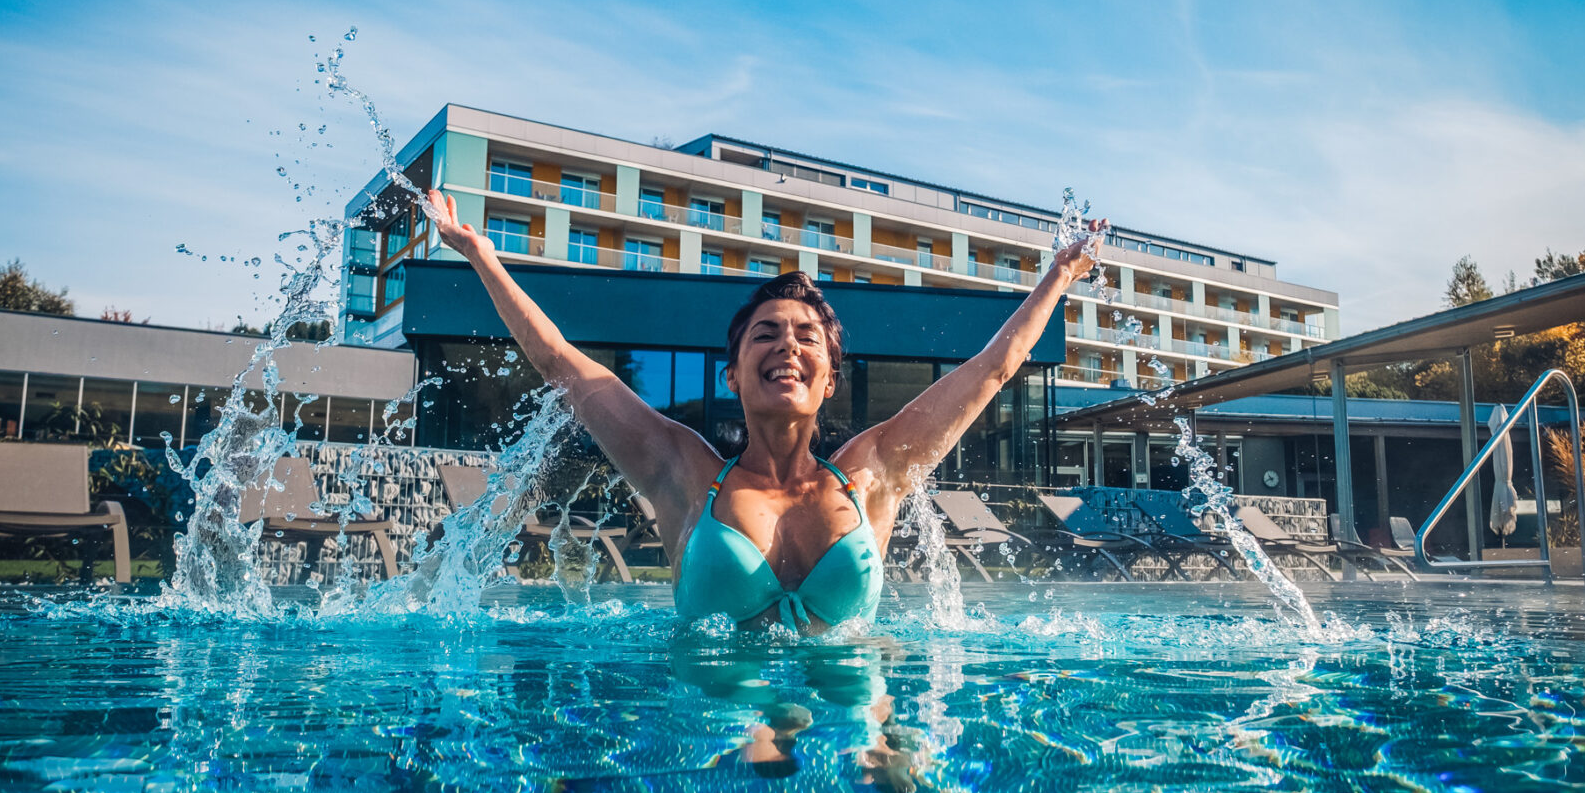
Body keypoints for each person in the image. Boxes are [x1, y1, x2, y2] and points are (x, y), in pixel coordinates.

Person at [427, 191, 1101, 636]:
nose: (787, 346)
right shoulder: (683, 474)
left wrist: (1059, 276)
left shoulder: (871, 474)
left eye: (806, 337)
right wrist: (481, 254)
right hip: (719, 742)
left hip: (856, 733)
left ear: (830, 378)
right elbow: (561, 365)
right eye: (766, 334)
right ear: (734, 374)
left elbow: (993, 369)